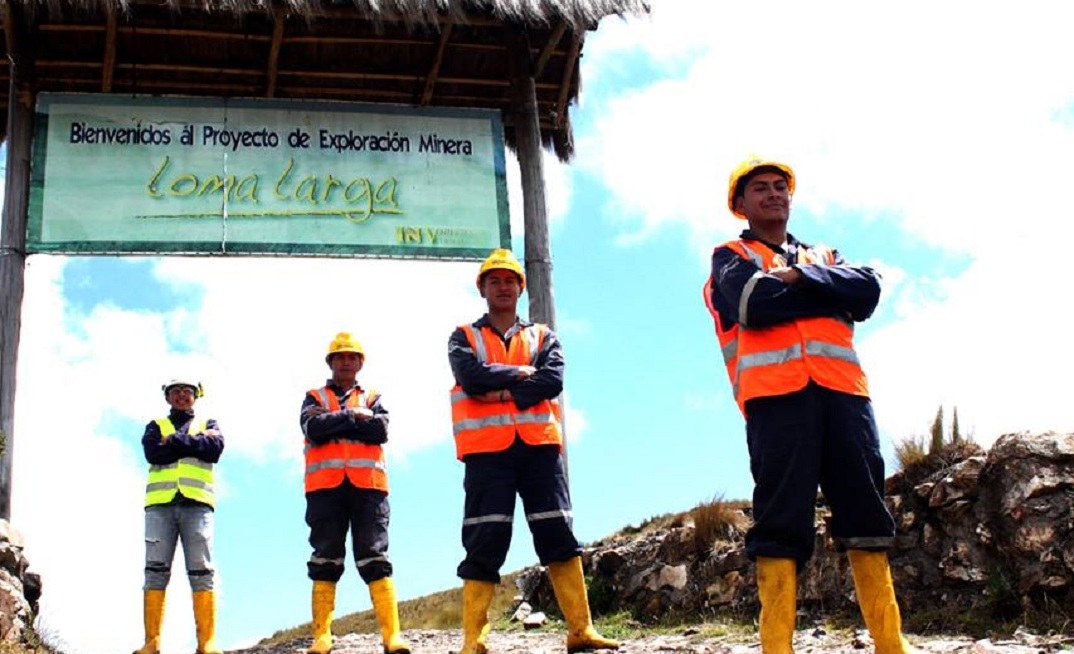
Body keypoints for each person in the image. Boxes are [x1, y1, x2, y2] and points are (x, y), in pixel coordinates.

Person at [703, 156, 916, 654]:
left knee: (866, 513)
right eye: (761, 188)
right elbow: (751, 303)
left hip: (845, 395)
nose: (774, 194)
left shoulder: (823, 251)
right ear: (741, 204)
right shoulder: (729, 256)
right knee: (781, 520)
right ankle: (777, 647)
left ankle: (891, 643)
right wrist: (823, 287)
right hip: (776, 401)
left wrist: (800, 280)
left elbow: (867, 290)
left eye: (781, 187)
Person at [448, 248, 618, 654]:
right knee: (484, 537)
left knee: (557, 531)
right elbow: (470, 378)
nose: (503, 287)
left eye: (510, 280)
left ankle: (581, 629)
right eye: (495, 281)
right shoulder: (463, 337)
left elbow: (552, 381)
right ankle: (474, 639)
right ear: (483, 289)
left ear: (521, 288)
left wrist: (501, 390)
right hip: (487, 452)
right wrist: (523, 374)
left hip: (540, 449)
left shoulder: (543, 336)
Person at [299, 332, 410, 654]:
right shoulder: (314, 396)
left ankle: (392, 637)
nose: (346, 362)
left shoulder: (374, 396)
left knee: (375, 556)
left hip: (368, 487)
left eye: (352, 357)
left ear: (360, 363)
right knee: (325, 558)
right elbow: (312, 429)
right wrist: (351, 417)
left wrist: (337, 423)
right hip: (324, 489)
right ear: (331, 363)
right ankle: (322, 636)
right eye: (340, 357)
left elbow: (381, 430)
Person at [134, 378, 224, 654]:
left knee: (202, 569)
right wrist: (194, 443)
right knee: (155, 570)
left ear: (196, 396)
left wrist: (172, 440)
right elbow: (153, 454)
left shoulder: (210, 423)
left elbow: (214, 450)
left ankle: (206, 642)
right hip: (160, 505)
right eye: (176, 392)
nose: (182, 396)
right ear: (168, 397)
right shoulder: (154, 426)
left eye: (188, 392)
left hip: (197, 503)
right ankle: (152, 642)